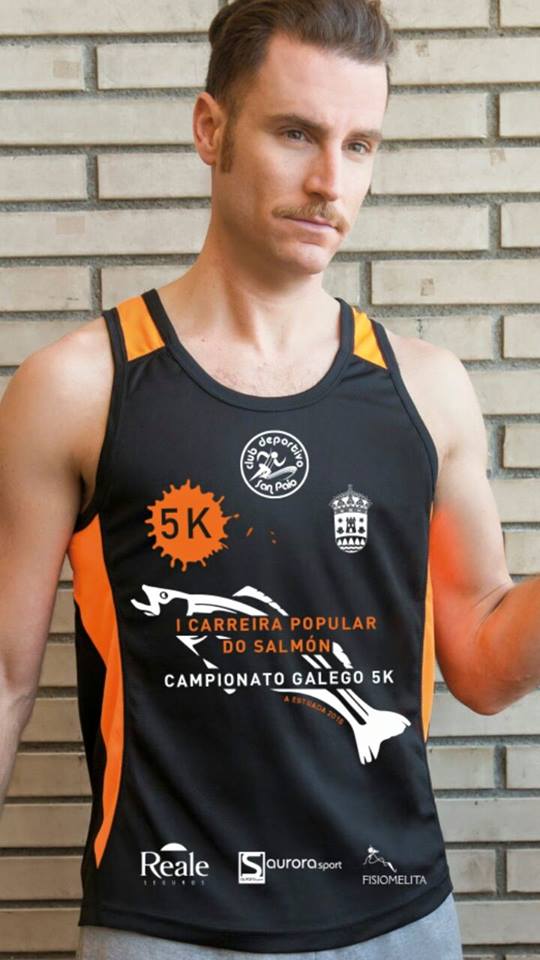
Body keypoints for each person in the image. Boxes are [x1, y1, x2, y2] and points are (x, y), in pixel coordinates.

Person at [1, 1, 538, 958]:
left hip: (397, 920)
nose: (331, 181)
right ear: (211, 129)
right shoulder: (77, 387)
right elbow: (5, 679)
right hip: (163, 925)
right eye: (296, 133)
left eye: (359, 145)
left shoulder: (429, 389)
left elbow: (485, 668)